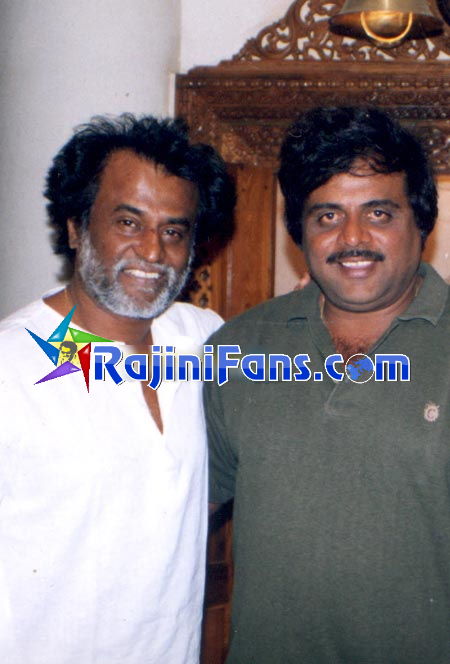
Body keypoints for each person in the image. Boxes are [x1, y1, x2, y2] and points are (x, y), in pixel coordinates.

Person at [205, 107, 450, 663]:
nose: (352, 238)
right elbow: (183, 516)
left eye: (378, 213)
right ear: (300, 232)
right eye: (327, 216)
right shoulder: (238, 347)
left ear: (420, 222)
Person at [0, 114, 235, 664]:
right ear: (76, 227)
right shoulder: (12, 364)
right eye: (129, 222)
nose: (153, 251)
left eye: (174, 231)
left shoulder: (201, 338)